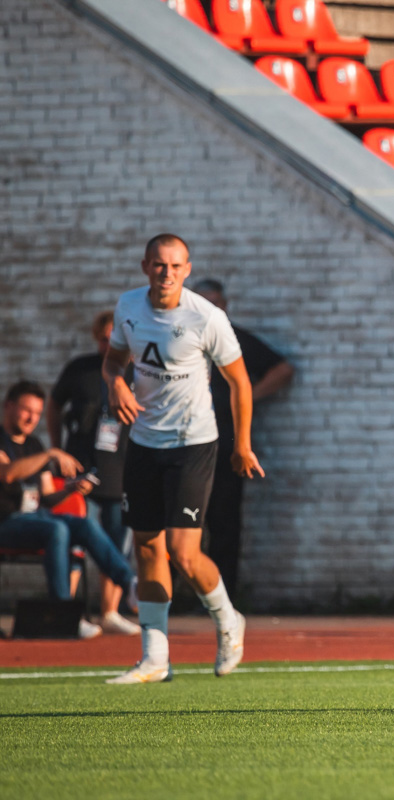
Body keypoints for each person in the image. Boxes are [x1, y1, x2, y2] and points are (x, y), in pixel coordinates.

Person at [102, 234, 264, 684]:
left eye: (175, 266)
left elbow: (240, 382)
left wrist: (242, 445)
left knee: (182, 552)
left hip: (193, 442)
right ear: (145, 267)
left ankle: (229, 620)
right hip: (143, 442)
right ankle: (155, 657)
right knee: (147, 547)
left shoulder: (206, 317)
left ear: (187, 270)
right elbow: (113, 362)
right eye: (159, 265)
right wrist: (115, 382)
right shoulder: (128, 306)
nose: (167, 273)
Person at [0, 380, 137, 638]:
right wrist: (51, 454)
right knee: (57, 529)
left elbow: (47, 497)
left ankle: (130, 584)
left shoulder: (34, 445)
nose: (32, 418)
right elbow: (7, 473)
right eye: (26, 410)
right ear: (8, 406)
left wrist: (70, 489)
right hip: (6, 522)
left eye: (37, 413)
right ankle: (64, 614)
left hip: (35, 519)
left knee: (84, 525)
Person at [191, 278, 294, 598]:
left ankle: (223, 598)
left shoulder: (235, 340)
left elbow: (282, 370)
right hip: (185, 447)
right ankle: (176, 595)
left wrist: (246, 398)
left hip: (225, 447)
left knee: (224, 522)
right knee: (180, 525)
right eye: (204, 304)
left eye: (216, 304)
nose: (211, 310)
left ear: (225, 306)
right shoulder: (181, 338)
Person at [47, 311, 140, 636]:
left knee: (116, 542)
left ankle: (109, 612)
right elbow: (53, 405)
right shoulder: (80, 368)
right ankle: (68, 612)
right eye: (103, 339)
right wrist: (57, 449)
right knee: (72, 538)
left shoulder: (139, 371)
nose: (108, 345)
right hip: (80, 468)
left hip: (121, 470)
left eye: (114, 339)